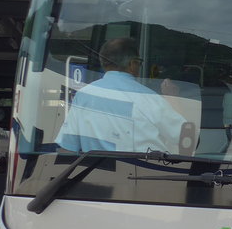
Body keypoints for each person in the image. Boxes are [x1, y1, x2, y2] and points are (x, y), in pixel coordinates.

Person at [56, 37, 190, 153]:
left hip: (94, 177)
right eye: (139, 62)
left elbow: (68, 148)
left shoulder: (83, 95)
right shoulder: (149, 99)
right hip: (146, 178)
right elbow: (187, 139)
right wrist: (173, 98)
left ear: (103, 63)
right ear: (133, 63)